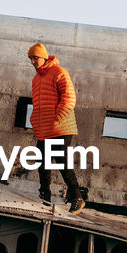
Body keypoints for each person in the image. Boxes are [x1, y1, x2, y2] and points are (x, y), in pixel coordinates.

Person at [27, 42, 85, 212]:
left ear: (44, 57)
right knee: (42, 160)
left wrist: (57, 118)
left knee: (60, 159)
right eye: (30, 58)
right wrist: (35, 120)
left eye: (35, 58)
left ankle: (77, 197)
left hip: (60, 126)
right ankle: (45, 195)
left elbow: (69, 98)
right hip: (44, 128)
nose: (32, 61)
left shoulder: (59, 72)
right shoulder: (36, 79)